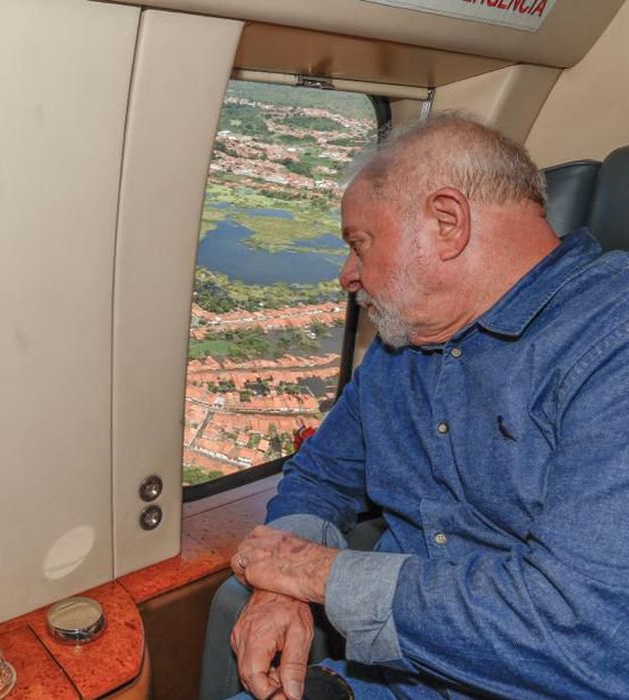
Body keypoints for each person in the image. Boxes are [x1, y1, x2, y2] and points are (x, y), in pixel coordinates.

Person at [199, 114, 629, 699]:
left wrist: (316, 572)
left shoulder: (611, 346)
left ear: (446, 223)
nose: (347, 276)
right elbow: (323, 474)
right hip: (392, 681)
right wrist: (281, 585)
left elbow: (585, 635)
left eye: (359, 244)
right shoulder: (403, 348)